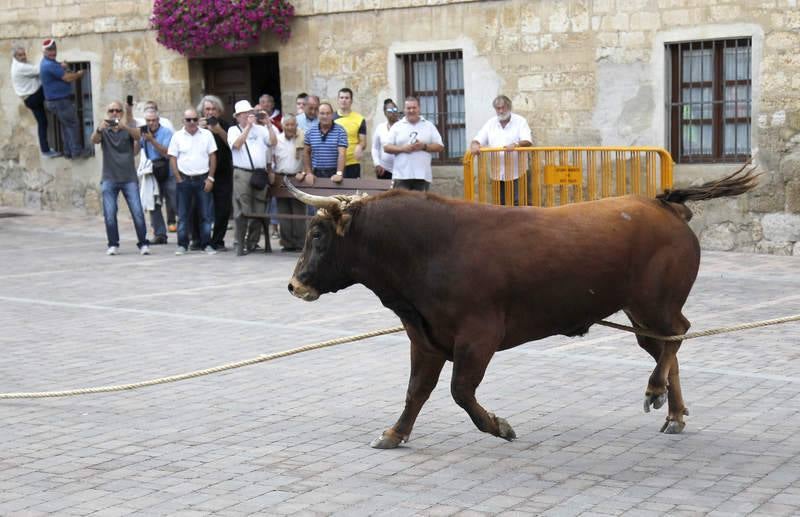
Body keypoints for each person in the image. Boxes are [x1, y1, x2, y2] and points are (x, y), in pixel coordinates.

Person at [91, 101, 149, 256]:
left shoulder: (127, 127)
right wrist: (99, 128)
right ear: (107, 112)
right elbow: (94, 140)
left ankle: (143, 243)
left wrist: (125, 127)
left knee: (137, 211)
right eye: (111, 111)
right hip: (109, 177)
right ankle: (113, 244)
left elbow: (139, 136)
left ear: (122, 113)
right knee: (109, 213)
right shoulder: (103, 129)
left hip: (129, 178)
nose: (114, 113)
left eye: (118, 110)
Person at [228, 100, 277, 256]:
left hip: (259, 173)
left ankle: (252, 243)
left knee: (259, 210)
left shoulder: (261, 129)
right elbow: (237, 145)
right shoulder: (233, 130)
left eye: (250, 113)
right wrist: (248, 127)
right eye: (245, 114)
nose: (249, 116)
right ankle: (240, 243)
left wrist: (268, 124)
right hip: (242, 173)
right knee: (243, 210)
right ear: (238, 116)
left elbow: (273, 142)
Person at [167, 108, 218, 255]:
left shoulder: (207, 135)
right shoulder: (177, 136)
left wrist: (211, 177)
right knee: (182, 215)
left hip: (203, 179)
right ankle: (182, 244)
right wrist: (178, 178)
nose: (192, 122)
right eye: (188, 119)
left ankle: (206, 244)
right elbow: (173, 158)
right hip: (185, 179)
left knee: (206, 215)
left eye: (195, 119)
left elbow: (213, 156)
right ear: (183, 121)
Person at [469, 95, 533, 205]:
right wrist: (475, 144)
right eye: (498, 108)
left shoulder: (520, 121)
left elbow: (528, 141)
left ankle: (517, 222)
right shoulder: (490, 123)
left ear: (509, 107)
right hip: (497, 171)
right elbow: (478, 139)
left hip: (517, 171)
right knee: (499, 203)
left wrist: (516, 145)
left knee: (518, 203)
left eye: (503, 107)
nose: (501, 111)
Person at [384, 96, 444, 191]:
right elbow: (386, 147)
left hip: (422, 176)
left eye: (414, 107)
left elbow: (440, 146)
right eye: (408, 108)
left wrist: (424, 146)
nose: (411, 110)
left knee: (420, 206)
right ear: (404, 110)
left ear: (419, 109)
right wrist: (403, 149)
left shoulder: (429, 125)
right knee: (400, 205)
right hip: (401, 176)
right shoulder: (397, 126)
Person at [39, 38, 86, 159]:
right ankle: (77, 152)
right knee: (72, 124)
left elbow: (57, 69)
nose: (53, 52)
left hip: (55, 102)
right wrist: (79, 75)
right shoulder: (49, 65)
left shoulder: (50, 63)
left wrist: (61, 65)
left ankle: (68, 151)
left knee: (66, 126)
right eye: (49, 50)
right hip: (60, 101)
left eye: (54, 49)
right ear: (44, 52)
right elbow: (67, 78)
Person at [198, 95, 233, 251]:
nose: (210, 112)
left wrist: (218, 131)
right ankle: (200, 239)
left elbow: (232, 145)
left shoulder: (226, 126)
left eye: (213, 109)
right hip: (202, 172)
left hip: (223, 173)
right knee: (200, 208)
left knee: (223, 208)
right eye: (207, 109)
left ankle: (218, 240)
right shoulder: (197, 127)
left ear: (219, 111)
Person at [11, 45, 57, 157]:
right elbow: (40, 69)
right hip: (33, 97)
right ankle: (60, 101)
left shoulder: (21, 64)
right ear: (15, 56)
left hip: (30, 98)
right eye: (20, 55)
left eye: (24, 54)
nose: (23, 57)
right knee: (49, 81)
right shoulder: (20, 67)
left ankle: (45, 150)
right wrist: (46, 55)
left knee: (43, 122)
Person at [139, 108, 174, 244]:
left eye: (154, 120)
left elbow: (167, 152)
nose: (151, 123)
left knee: (176, 203)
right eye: (148, 121)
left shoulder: (166, 132)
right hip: (152, 173)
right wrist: (137, 139)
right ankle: (160, 234)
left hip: (168, 172)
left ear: (158, 120)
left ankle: (188, 233)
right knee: (153, 204)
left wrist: (151, 140)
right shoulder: (144, 133)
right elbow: (137, 150)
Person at [273, 114, 306, 251]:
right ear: (282, 126)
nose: (290, 127)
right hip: (281, 177)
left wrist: (304, 172)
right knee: (283, 212)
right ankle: (287, 243)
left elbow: (308, 158)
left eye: (293, 124)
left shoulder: (301, 139)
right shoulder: (277, 140)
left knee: (298, 212)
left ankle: (300, 243)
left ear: (296, 125)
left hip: (297, 177)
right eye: (287, 125)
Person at [302, 102, 348, 184]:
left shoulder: (340, 131)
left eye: (328, 113)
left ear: (332, 114)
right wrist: (308, 172)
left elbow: (342, 154)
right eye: (322, 113)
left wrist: (339, 173)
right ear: (317, 114)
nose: (325, 116)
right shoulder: (310, 132)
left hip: (334, 173)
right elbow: (306, 153)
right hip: (316, 173)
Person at [333, 87, 366, 178]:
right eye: (341, 97)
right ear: (338, 100)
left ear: (351, 101)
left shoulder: (359, 119)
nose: (344, 100)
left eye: (347, 98)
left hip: (352, 163)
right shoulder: (331, 118)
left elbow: (363, 141)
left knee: (352, 191)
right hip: (335, 162)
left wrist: (360, 146)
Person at [371, 98, 400, 180]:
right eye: (390, 110)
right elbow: (375, 148)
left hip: (401, 171)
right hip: (384, 170)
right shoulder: (380, 128)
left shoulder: (403, 126)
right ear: (385, 113)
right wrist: (377, 164)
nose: (393, 112)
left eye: (395, 109)